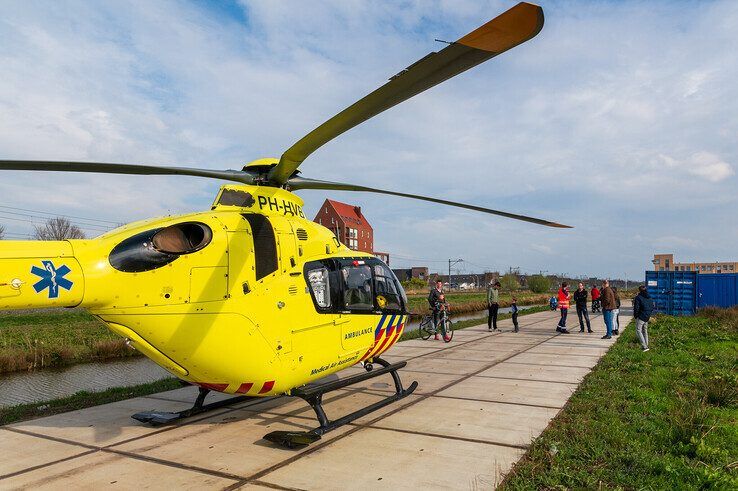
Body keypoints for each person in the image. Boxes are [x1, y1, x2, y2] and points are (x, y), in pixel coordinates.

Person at [632, 285, 654, 351]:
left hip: (641, 316)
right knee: (645, 331)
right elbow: (652, 306)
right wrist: (649, 314)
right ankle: (646, 345)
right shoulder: (649, 297)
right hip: (647, 316)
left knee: (638, 330)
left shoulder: (638, 297)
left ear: (639, 290)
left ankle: (644, 346)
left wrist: (636, 316)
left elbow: (636, 308)